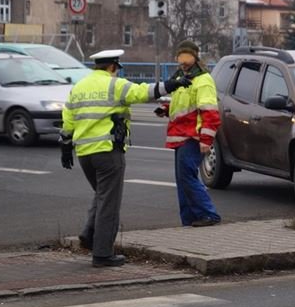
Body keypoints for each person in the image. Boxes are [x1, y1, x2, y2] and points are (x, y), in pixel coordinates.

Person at [60, 49, 191, 267]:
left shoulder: (79, 87)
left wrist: (65, 146)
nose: (117, 72)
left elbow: (68, 118)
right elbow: (143, 92)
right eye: (117, 69)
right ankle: (102, 254)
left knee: (102, 195)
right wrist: (171, 84)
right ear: (112, 66)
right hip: (108, 151)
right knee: (109, 203)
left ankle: (89, 234)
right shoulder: (115, 85)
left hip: (84, 154)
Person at [154, 40, 221, 227]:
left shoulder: (202, 80)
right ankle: (190, 218)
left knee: (186, 177)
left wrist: (206, 139)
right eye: (180, 57)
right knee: (182, 179)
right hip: (180, 135)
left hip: (192, 136)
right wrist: (166, 109)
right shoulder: (181, 78)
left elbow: (210, 112)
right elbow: (184, 105)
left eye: (187, 56)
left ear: (194, 57)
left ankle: (208, 214)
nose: (183, 61)